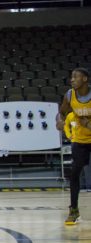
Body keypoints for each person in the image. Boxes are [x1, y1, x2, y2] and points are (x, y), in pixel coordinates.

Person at [56, 67, 91, 225]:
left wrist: (89, 123)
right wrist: (59, 120)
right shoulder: (70, 95)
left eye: (75, 77)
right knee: (75, 173)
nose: (72, 79)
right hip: (80, 140)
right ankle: (74, 210)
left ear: (85, 79)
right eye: (71, 77)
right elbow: (62, 112)